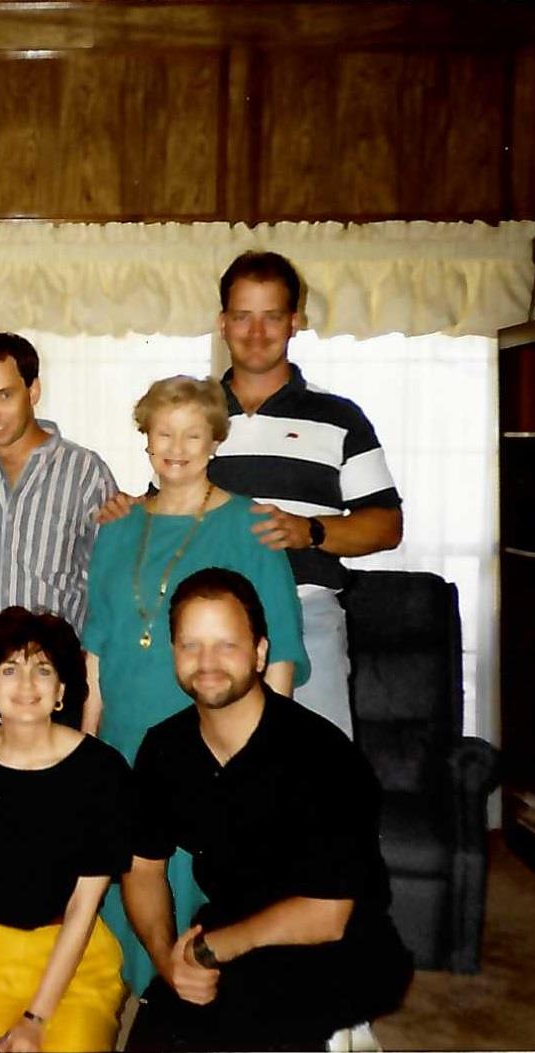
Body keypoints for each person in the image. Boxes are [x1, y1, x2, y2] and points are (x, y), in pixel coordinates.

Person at [81, 375, 309, 997]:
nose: (176, 447)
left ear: (214, 441)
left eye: (192, 433)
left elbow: (280, 649)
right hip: (127, 741)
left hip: (211, 746)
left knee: (205, 894)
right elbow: (95, 650)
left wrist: (267, 759)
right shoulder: (117, 528)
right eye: (163, 433)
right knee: (124, 889)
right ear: (146, 441)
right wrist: (85, 748)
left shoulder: (251, 526)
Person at [122, 568, 411, 1051]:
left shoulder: (323, 755)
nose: (207, 662)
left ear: (259, 653)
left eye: (226, 645)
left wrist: (208, 951)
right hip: (231, 932)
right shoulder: (164, 748)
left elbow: (328, 914)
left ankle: (346, 1036)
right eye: (191, 645)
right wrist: (169, 964)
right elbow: (142, 869)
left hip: (336, 946)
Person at [208, 251, 402, 737]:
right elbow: (167, 510)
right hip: (209, 630)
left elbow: (387, 525)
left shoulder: (340, 418)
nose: (256, 332)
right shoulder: (194, 412)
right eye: (242, 316)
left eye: (271, 316)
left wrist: (310, 532)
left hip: (307, 616)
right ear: (222, 322)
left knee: (320, 782)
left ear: (294, 321)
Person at [0, 607, 134, 1053]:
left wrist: (36, 1018)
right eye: (9, 670)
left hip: (72, 960)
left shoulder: (102, 771)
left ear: (61, 690)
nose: (26, 685)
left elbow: (84, 905)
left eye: (42, 670)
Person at [0, 333, 117, 722]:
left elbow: (107, 583)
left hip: (52, 696)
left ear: (33, 390)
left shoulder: (84, 471)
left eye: (4, 394)